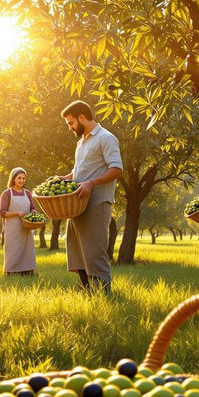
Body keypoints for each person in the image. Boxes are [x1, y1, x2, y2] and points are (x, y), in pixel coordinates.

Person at [58, 100, 122, 292]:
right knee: (77, 250)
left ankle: (103, 294)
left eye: (71, 123)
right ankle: (88, 292)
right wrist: (66, 178)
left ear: (82, 117)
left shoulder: (106, 138)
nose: (70, 127)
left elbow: (116, 168)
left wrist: (91, 183)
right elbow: (80, 169)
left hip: (97, 203)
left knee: (94, 251)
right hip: (77, 203)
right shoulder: (81, 142)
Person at [0, 167, 37, 275]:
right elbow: (2, 212)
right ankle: (11, 272)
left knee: (27, 249)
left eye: (23, 178)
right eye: (19, 178)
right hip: (13, 228)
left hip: (26, 227)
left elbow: (32, 208)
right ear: (13, 179)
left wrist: (33, 212)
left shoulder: (27, 193)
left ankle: (28, 271)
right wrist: (17, 213)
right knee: (13, 250)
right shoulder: (7, 193)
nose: (21, 180)